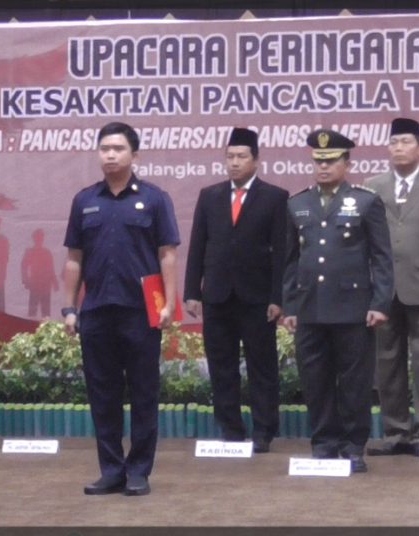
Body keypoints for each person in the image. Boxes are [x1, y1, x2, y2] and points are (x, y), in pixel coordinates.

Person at [63, 121, 180, 496]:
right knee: (102, 393)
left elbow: (167, 254)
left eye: (118, 149)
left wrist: (170, 303)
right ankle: (111, 469)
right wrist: (69, 307)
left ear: (134, 155)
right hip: (96, 310)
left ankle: (139, 471)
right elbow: (74, 259)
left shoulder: (155, 198)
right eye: (104, 149)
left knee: (144, 392)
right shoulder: (85, 200)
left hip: (141, 311)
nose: (110, 155)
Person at [282, 129, 393, 474]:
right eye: (318, 161)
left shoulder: (365, 201)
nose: (323, 167)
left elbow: (382, 257)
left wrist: (379, 302)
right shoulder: (297, 203)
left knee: (355, 381)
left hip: (352, 307)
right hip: (310, 306)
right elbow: (289, 260)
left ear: (347, 162)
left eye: (330, 161)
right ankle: (324, 443)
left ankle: (353, 445)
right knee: (315, 379)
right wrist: (288, 306)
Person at [184, 127, 288, 453]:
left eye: (241, 157)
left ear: (256, 160)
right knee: (221, 366)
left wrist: (278, 298)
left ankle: (264, 431)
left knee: (262, 367)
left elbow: (282, 253)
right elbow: (198, 244)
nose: (234, 163)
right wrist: (192, 291)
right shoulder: (209, 195)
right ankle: (231, 430)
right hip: (217, 295)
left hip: (257, 298)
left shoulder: (275, 197)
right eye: (229, 156)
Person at [364, 118, 419, 457]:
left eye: (405, 142)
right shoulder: (372, 187)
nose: (398, 147)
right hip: (384, 290)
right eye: (394, 142)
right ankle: (395, 432)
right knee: (386, 361)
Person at [21, 228, 59, 317]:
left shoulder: (47, 252)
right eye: (37, 237)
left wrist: (55, 282)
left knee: (46, 313)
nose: (39, 239)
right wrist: (25, 280)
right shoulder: (30, 252)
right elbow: (23, 266)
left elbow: (51, 269)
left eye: (40, 237)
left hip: (46, 285)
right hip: (35, 284)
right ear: (34, 238)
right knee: (32, 313)